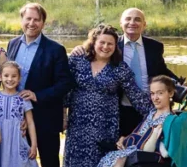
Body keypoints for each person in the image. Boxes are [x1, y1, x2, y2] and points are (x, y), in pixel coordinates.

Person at [64, 23, 148, 167]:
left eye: (110, 44)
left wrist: (160, 109)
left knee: (99, 166)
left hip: (105, 125)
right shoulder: (77, 60)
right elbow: (65, 90)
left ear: (115, 46)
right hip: (79, 124)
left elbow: (136, 96)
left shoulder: (119, 68)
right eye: (102, 42)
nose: (106, 47)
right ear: (93, 42)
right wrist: (63, 114)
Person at [6, 2, 72, 167]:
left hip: (46, 116)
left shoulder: (55, 50)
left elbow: (65, 84)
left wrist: (37, 95)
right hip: (18, 119)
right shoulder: (12, 45)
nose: (32, 23)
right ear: (21, 20)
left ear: (43, 22)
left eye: (36, 19)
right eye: (28, 19)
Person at [74, 75, 175, 167]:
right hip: (136, 149)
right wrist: (125, 139)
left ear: (170, 93)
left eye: (160, 93)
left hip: (151, 155)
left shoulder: (169, 118)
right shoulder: (152, 113)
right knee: (118, 157)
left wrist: (154, 132)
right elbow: (139, 133)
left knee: (120, 158)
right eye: (152, 93)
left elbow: (151, 146)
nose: (155, 97)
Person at [72, 8, 178, 136]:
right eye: (128, 19)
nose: (132, 22)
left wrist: (178, 82)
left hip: (148, 103)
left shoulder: (155, 47)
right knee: (123, 147)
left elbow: (161, 70)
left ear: (144, 25)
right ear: (121, 23)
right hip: (119, 109)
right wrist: (80, 48)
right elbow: (94, 51)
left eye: (137, 19)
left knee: (150, 146)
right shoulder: (113, 45)